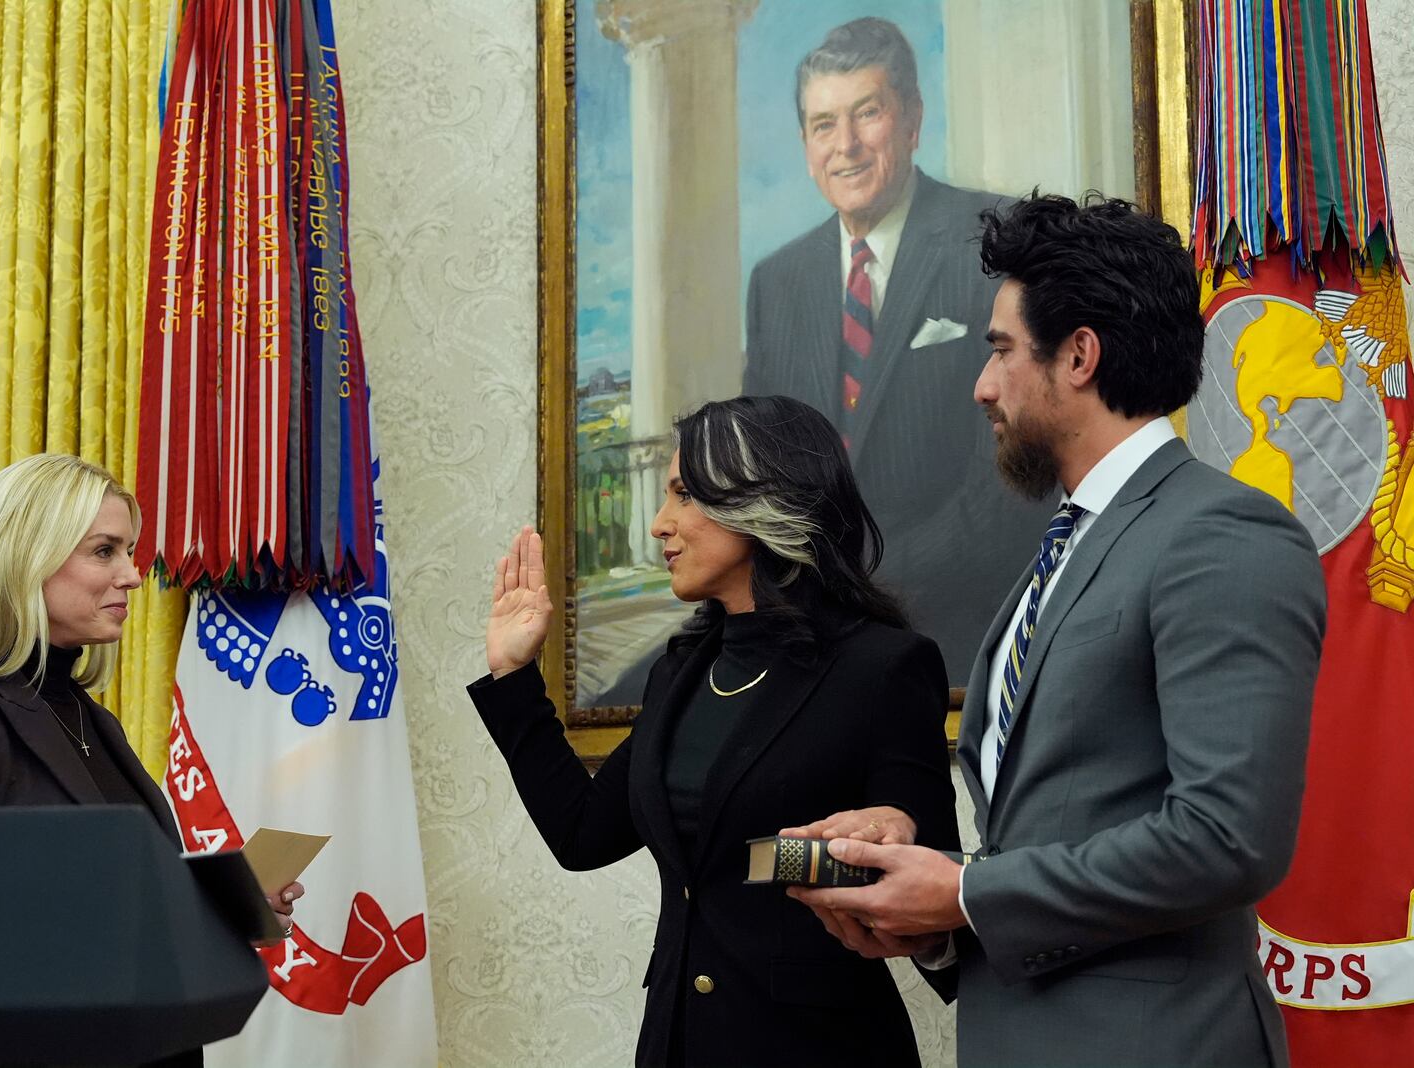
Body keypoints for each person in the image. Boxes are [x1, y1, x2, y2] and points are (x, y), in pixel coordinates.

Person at [786, 194, 1328, 1066]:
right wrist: (931, 917)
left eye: (1000, 350)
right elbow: (1050, 838)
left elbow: (1228, 839)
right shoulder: (1068, 546)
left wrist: (966, 893)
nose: (982, 385)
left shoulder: (1221, 534)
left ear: (1079, 355)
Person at [469, 395, 958, 1067]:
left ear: (762, 501)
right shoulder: (683, 672)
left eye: (682, 495)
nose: (659, 525)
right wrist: (513, 675)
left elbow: (931, 889)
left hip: (818, 1051)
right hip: (677, 1045)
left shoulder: (883, 668)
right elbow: (581, 835)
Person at [0, 454, 302, 1064]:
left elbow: (110, 902)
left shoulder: (92, 719)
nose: (133, 575)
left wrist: (225, 908)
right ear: (27, 556)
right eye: (105, 551)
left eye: (128, 551)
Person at [743, 15, 1053, 678]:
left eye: (868, 113)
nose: (846, 145)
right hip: (810, 648)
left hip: (961, 642)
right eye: (824, 124)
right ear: (805, 142)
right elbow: (762, 479)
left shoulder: (995, 243)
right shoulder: (776, 283)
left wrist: (858, 590)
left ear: (911, 120)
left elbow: (1012, 487)